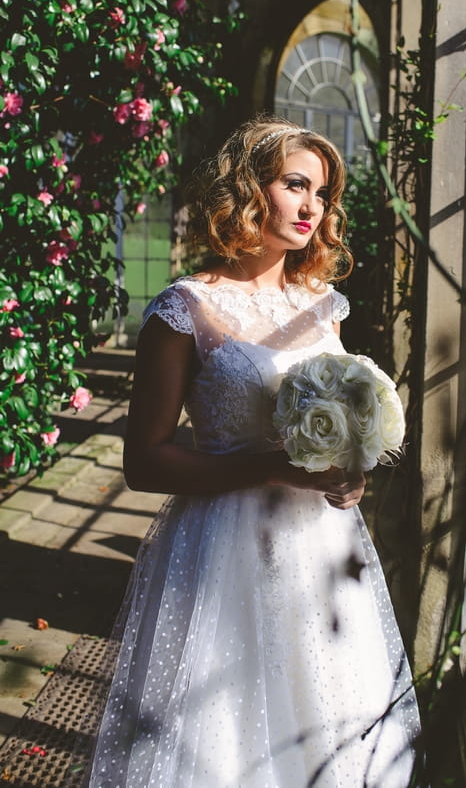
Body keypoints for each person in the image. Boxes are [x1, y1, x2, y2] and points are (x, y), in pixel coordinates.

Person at [87, 115, 420, 787]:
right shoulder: (184, 309)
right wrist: (269, 466)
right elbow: (144, 460)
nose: (312, 207)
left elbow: (343, 428)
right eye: (296, 185)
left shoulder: (321, 305)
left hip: (322, 558)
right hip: (221, 555)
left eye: (322, 194)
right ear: (248, 189)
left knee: (328, 732)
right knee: (222, 745)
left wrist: (350, 477)